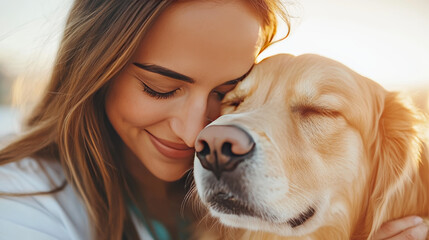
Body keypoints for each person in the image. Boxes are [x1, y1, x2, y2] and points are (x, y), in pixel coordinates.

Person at [0, 0, 427, 240]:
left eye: (225, 95)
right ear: (95, 72)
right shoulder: (18, 205)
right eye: (159, 87)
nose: (197, 136)